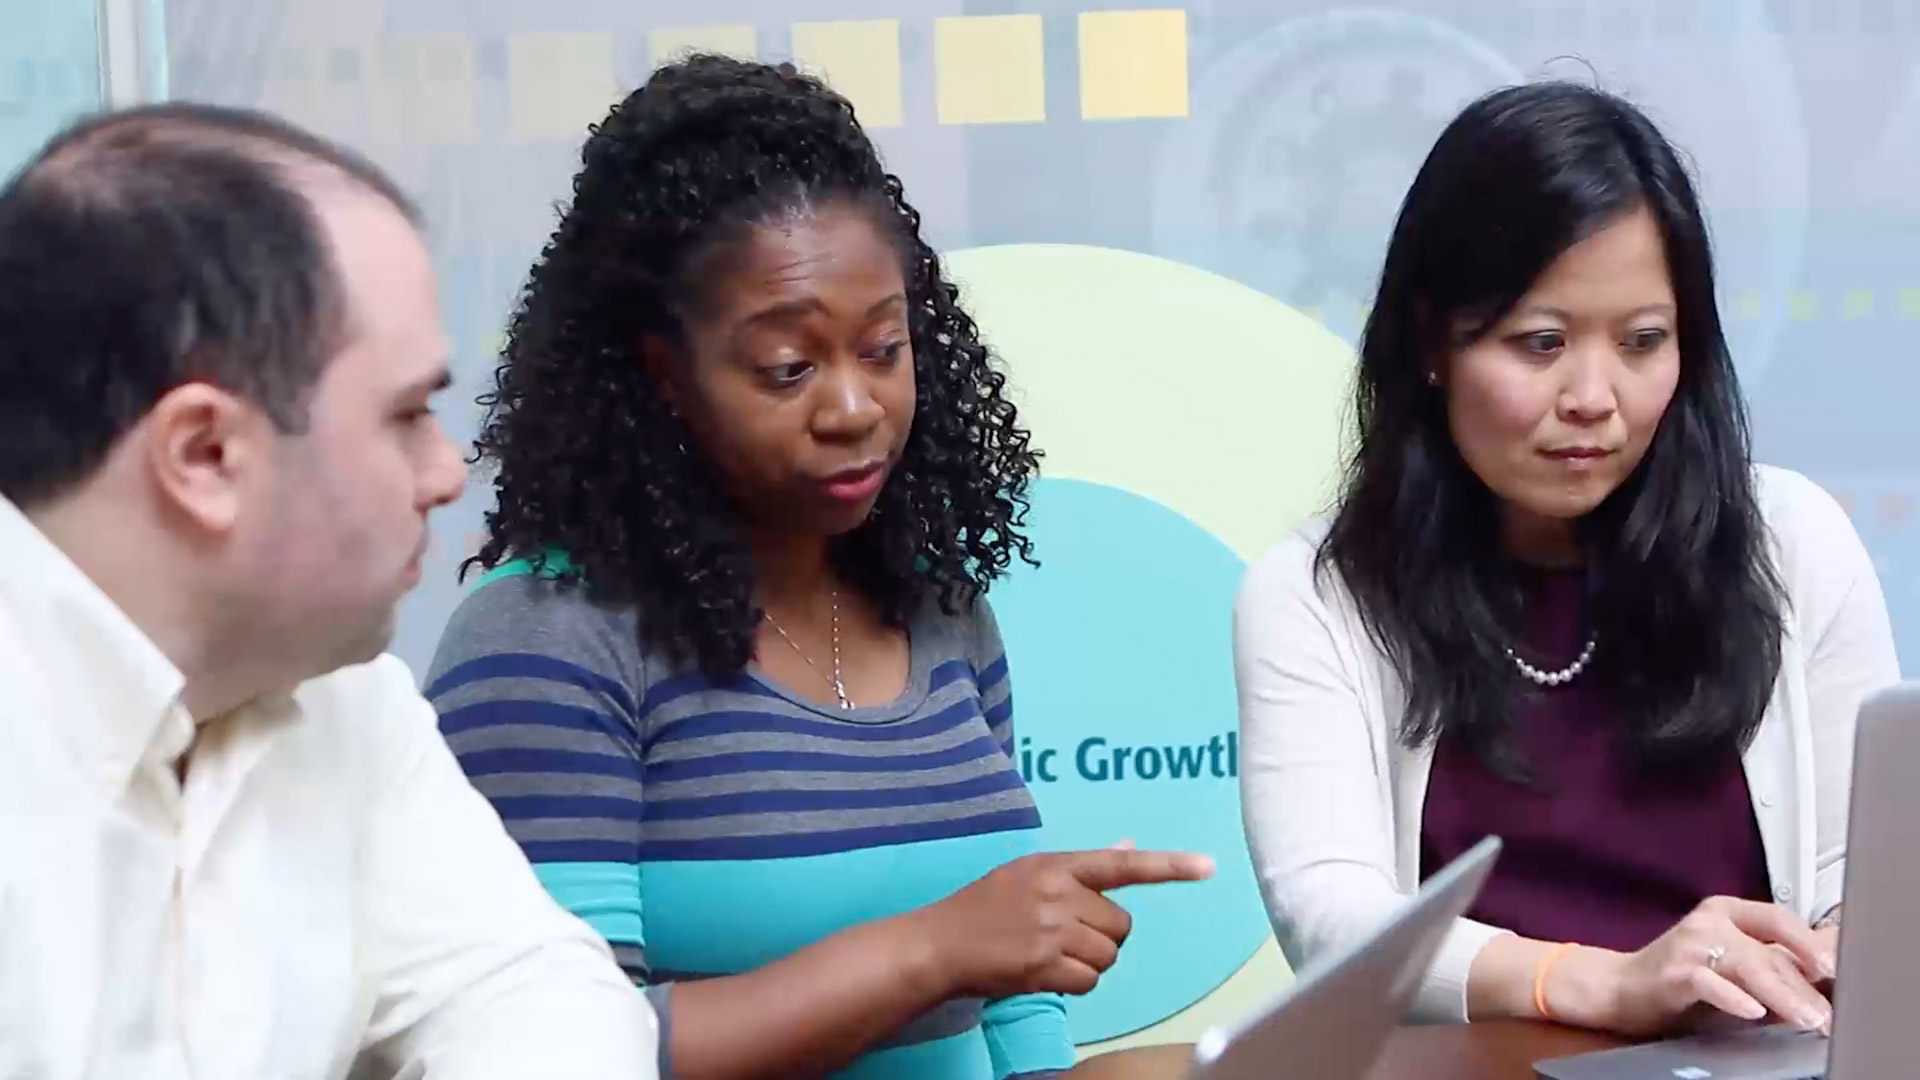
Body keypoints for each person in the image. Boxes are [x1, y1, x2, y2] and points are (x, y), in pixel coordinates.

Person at [427, 55, 1213, 1080]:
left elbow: (1014, 1013)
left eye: (884, 349)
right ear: (662, 375)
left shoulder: (939, 608)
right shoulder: (548, 637)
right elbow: (551, 1052)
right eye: (789, 368)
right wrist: (929, 951)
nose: (854, 408)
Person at [0, 104, 660, 1078]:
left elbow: (537, 988)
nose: (447, 472)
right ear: (205, 454)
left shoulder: (340, 691)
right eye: (407, 416)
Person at [1233, 82, 1899, 1040]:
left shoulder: (1792, 543)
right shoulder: (1317, 594)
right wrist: (1607, 983)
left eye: (1643, 342)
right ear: (1432, 342)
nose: (1595, 395)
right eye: (1541, 343)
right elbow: (1334, 923)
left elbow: (1864, 881)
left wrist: (1845, 957)